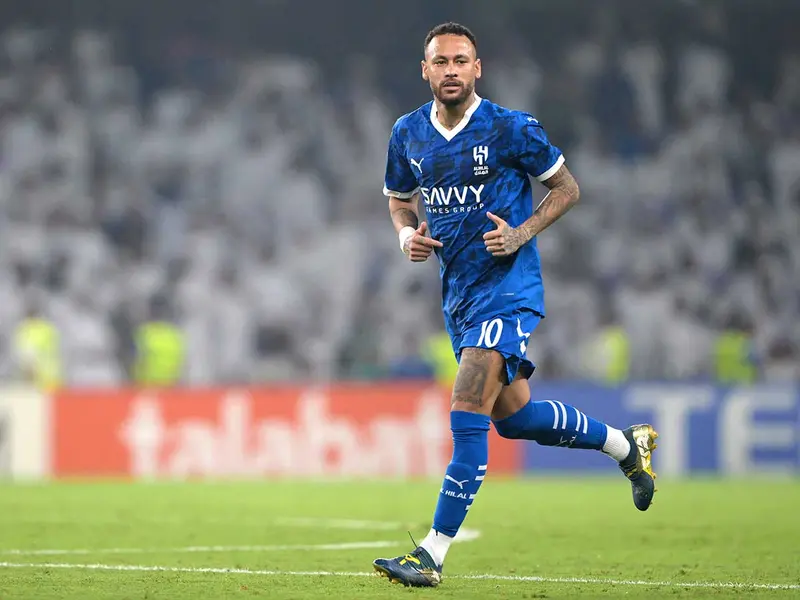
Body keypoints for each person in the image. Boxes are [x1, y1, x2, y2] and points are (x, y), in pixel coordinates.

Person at [372, 22, 659, 588]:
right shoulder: (407, 133)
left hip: (509, 288)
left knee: (467, 405)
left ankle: (431, 554)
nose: (451, 70)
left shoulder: (510, 127)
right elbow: (399, 201)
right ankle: (627, 446)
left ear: (477, 69)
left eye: (461, 61)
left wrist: (522, 232)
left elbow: (567, 188)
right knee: (514, 418)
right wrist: (407, 236)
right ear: (425, 71)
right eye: (440, 62)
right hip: (459, 295)